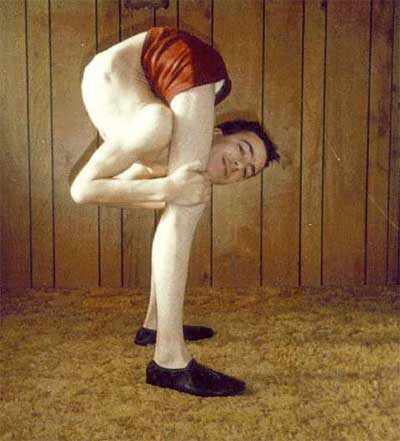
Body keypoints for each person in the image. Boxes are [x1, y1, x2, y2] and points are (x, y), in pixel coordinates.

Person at [71, 26, 280, 397]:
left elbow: (124, 191)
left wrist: (168, 189)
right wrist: (171, 189)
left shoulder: (152, 135)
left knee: (181, 192)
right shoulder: (158, 122)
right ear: (215, 131)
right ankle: (169, 359)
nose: (237, 166)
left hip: (123, 73)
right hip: (181, 58)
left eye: (247, 172)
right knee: (186, 197)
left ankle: (155, 325)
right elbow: (82, 189)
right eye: (243, 150)